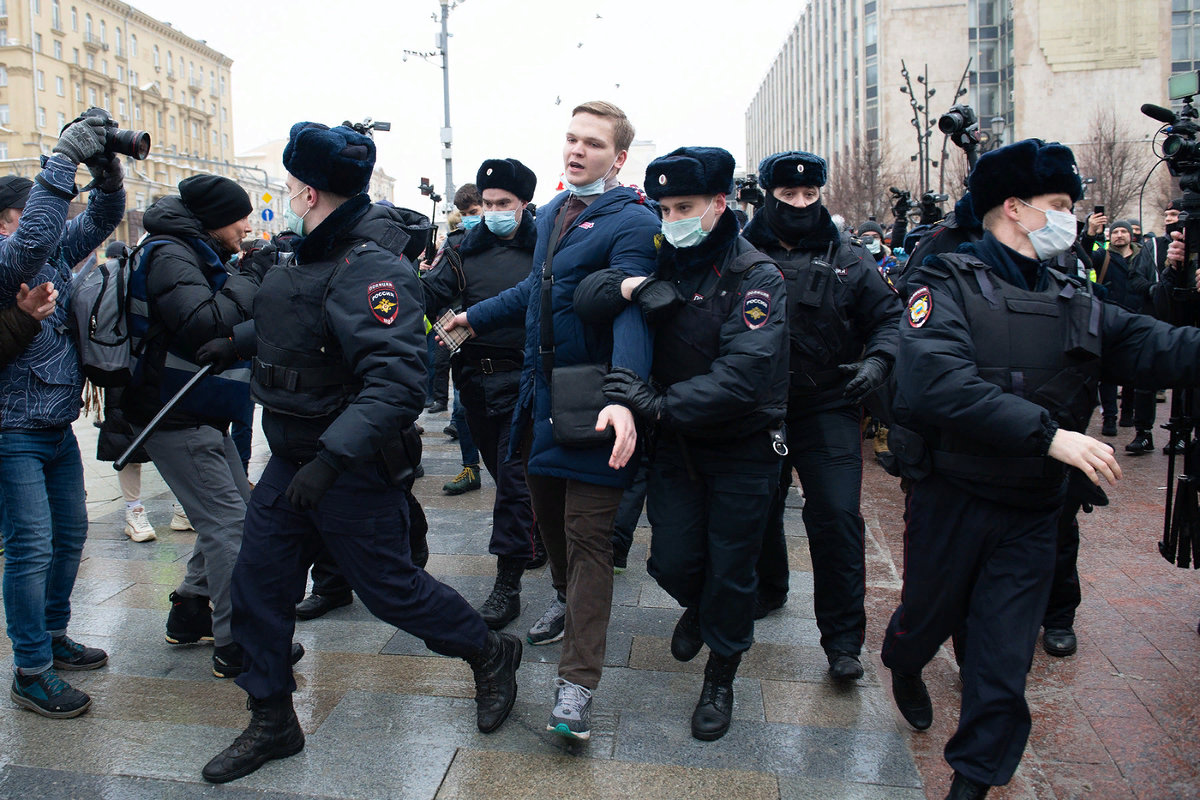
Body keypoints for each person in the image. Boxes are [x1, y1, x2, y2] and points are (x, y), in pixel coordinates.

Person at [198, 122, 520, 784]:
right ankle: (272, 720)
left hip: (348, 464)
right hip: (293, 456)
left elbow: (397, 384)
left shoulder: (373, 267)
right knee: (257, 586)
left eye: (290, 181)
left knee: (391, 591)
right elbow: (306, 318)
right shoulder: (309, 254)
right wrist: (237, 342)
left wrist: (330, 462)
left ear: (308, 188)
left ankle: (489, 652)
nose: (286, 190)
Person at [883, 138, 1200, 799]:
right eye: (1059, 205)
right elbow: (937, 381)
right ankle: (904, 662)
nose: (1072, 218)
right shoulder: (944, 281)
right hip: (951, 497)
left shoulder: (1071, 295)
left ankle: (969, 785)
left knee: (1001, 666)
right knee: (924, 620)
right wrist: (1049, 435)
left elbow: (1156, 348)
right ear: (1015, 208)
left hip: (1030, 512)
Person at [442, 101, 659, 741]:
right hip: (538, 404)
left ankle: (576, 685)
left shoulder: (632, 223)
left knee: (591, 540)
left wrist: (623, 393)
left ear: (618, 158)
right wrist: (473, 316)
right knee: (552, 528)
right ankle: (563, 599)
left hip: (595, 401)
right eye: (570, 138)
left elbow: (634, 312)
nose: (575, 150)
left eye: (592, 143)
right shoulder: (552, 216)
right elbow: (537, 293)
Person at [576, 146, 789, 740]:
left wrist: (658, 405)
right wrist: (634, 286)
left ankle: (721, 673)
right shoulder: (660, 257)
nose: (673, 220)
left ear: (719, 203)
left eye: (686, 207)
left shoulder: (756, 275)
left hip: (740, 447)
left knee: (734, 567)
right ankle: (698, 604)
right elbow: (586, 297)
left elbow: (744, 374)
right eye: (665, 208)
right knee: (671, 559)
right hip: (675, 447)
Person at [743, 151, 902, 681]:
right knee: (758, 507)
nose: (799, 204)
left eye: (809, 196)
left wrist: (879, 360)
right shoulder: (739, 252)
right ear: (769, 194)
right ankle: (768, 588)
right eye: (788, 196)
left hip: (827, 405)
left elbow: (890, 318)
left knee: (836, 517)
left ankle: (842, 641)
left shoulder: (850, 258)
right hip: (755, 409)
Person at [122, 175, 287, 679]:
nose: (245, 225)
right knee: (230, 524)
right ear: (215, 218)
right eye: (239, 217)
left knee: (235, 514)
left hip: (198, 409)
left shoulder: (191, 249)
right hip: (177, 412)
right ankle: (237, 643)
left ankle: (191, 611)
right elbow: (204, 323)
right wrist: (249, 277)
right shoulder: (171, 252)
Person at [0, 115, 126, 718]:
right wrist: (61, 159)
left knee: (70, 537)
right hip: (12, 432)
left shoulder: (46, 255)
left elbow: (100, 221)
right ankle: (31, 669)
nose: (46, 225)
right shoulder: (9, 260)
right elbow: (29, 242)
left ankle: (52, 634)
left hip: (55, 428)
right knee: (31, 547)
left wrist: (106, 174)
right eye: (31, 212)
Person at [421, 158, 541, 630]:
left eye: (503, 204)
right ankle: (540, 537)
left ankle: (506, 584)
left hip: (524, 381)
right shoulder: (461, 251)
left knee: (512, 484)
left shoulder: (544, 248)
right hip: (474, 381)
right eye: (487, 203)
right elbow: (428, 297)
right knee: (506, 475)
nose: (491, 212)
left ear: (523, 205)